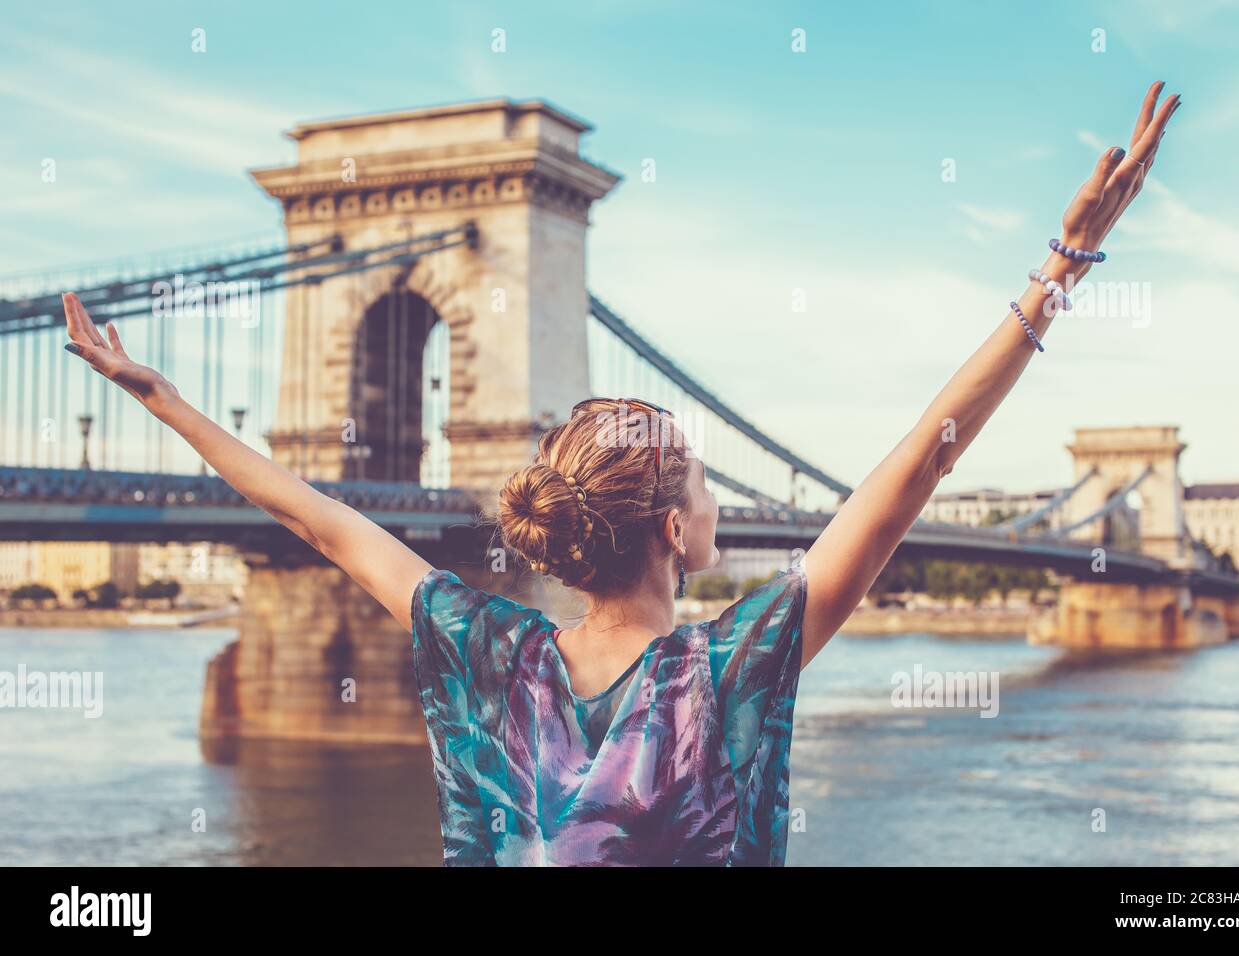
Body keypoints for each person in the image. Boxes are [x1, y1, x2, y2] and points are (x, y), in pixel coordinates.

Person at [61, 82, 1180, 866]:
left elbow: (317, 520)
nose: (713, 498)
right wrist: (1060, 269)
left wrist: (160, 398)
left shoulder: (485, 647)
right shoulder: (730, 669)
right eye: (699, 481)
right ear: (675, 531)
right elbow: (921, 461)